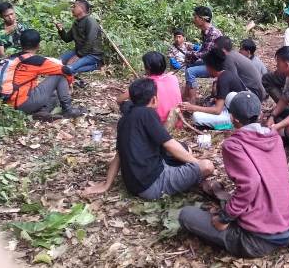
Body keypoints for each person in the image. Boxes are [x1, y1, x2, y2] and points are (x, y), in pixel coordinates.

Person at [179, 91, 289, 258]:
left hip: (258, 239)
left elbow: (251, 183)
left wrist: (224, 218)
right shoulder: (274, 138)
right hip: (288, 227)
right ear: (259, 114)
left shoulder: (233, 145)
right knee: (221, 195)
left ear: (233, 118)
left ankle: (235, 228)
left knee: (186, 215)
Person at [82, 78, 214, 198]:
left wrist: (106, 184)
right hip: (153, 184)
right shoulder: (148, 113)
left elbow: (119, 155)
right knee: (207, 166)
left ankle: (189, 175)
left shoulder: (124, 120)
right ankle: (194, 179)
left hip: (134, 186)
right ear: (154, 99)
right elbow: (169, 144)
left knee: (185, 149)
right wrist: (196, 163)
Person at [1, 29, 84, 119]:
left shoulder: (12, 58)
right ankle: (68, 110)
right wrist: (69, 82)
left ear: (20, 44)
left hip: (7, 104)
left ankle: (43, 111)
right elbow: (65, 70)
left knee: (54, 93)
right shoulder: (36, 61)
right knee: (60, 76)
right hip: (23, 103)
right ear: (38, 45)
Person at [180, 48, 247, 130]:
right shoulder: (226, 74)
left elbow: (217, 110)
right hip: (238, 109)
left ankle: (228, 127)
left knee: (196, 117)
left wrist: (193, 107)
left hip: (238, 119)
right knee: (209, 103)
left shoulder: (223, 79)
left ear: (210, 67)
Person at [117, 52, 182, 124]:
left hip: (157, 122)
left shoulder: (146, 83)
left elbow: (119, 100)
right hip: (177, 120)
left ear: (148, 68)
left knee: (126, 104)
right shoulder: (173, 78)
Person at [183, 6, 223, 104]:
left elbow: (206, 53)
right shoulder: (205, 31)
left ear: (202, 19)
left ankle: (192, 103)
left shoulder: (213, 33)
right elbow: (203, 50)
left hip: (216, 66)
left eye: (195, 17)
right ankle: (187, 95)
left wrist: (190, 54)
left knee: (190, 71)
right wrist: (192, 57)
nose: (194, 19)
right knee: (189, 66)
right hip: (209, 61)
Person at [56, 0, 103, 74]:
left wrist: (78, 56)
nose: (72, 9)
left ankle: (95, 66)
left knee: (68, 69)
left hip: (92, 55)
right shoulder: (76, 23)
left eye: (74, 6)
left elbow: (90, 42)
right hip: (78, 51)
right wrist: (61, 30)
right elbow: (67, 39)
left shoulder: (90, 22)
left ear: (81, 9)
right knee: (56, 63)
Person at [215, 36, 265, 101]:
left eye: (216, 49)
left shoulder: (228, 58)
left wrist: (220, 97)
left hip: (254, 94)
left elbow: (232, 81)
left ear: (223, 49)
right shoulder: (232, 54)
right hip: (255, 91)